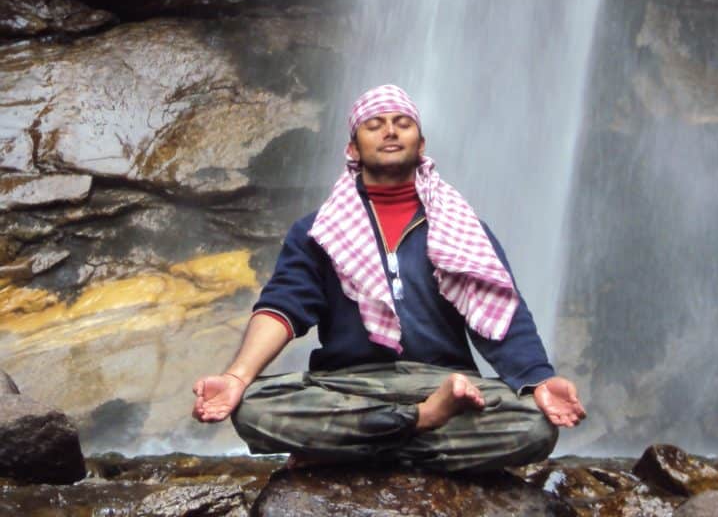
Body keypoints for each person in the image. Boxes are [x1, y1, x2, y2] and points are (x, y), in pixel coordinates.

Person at [192, 84, 585, 473]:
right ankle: (423, 423)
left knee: (535, 425)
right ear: (353, 148)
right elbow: (282, 307)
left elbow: (504, 313)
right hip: (349, 388)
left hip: (448, 385)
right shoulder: (319, 230)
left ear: (421, 142)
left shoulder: (463, 228)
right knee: (252, 407)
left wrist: (539, 382)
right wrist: (236, 377)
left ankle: (350, 448)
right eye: (375, 125)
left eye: (402, 123)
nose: (391, 131)